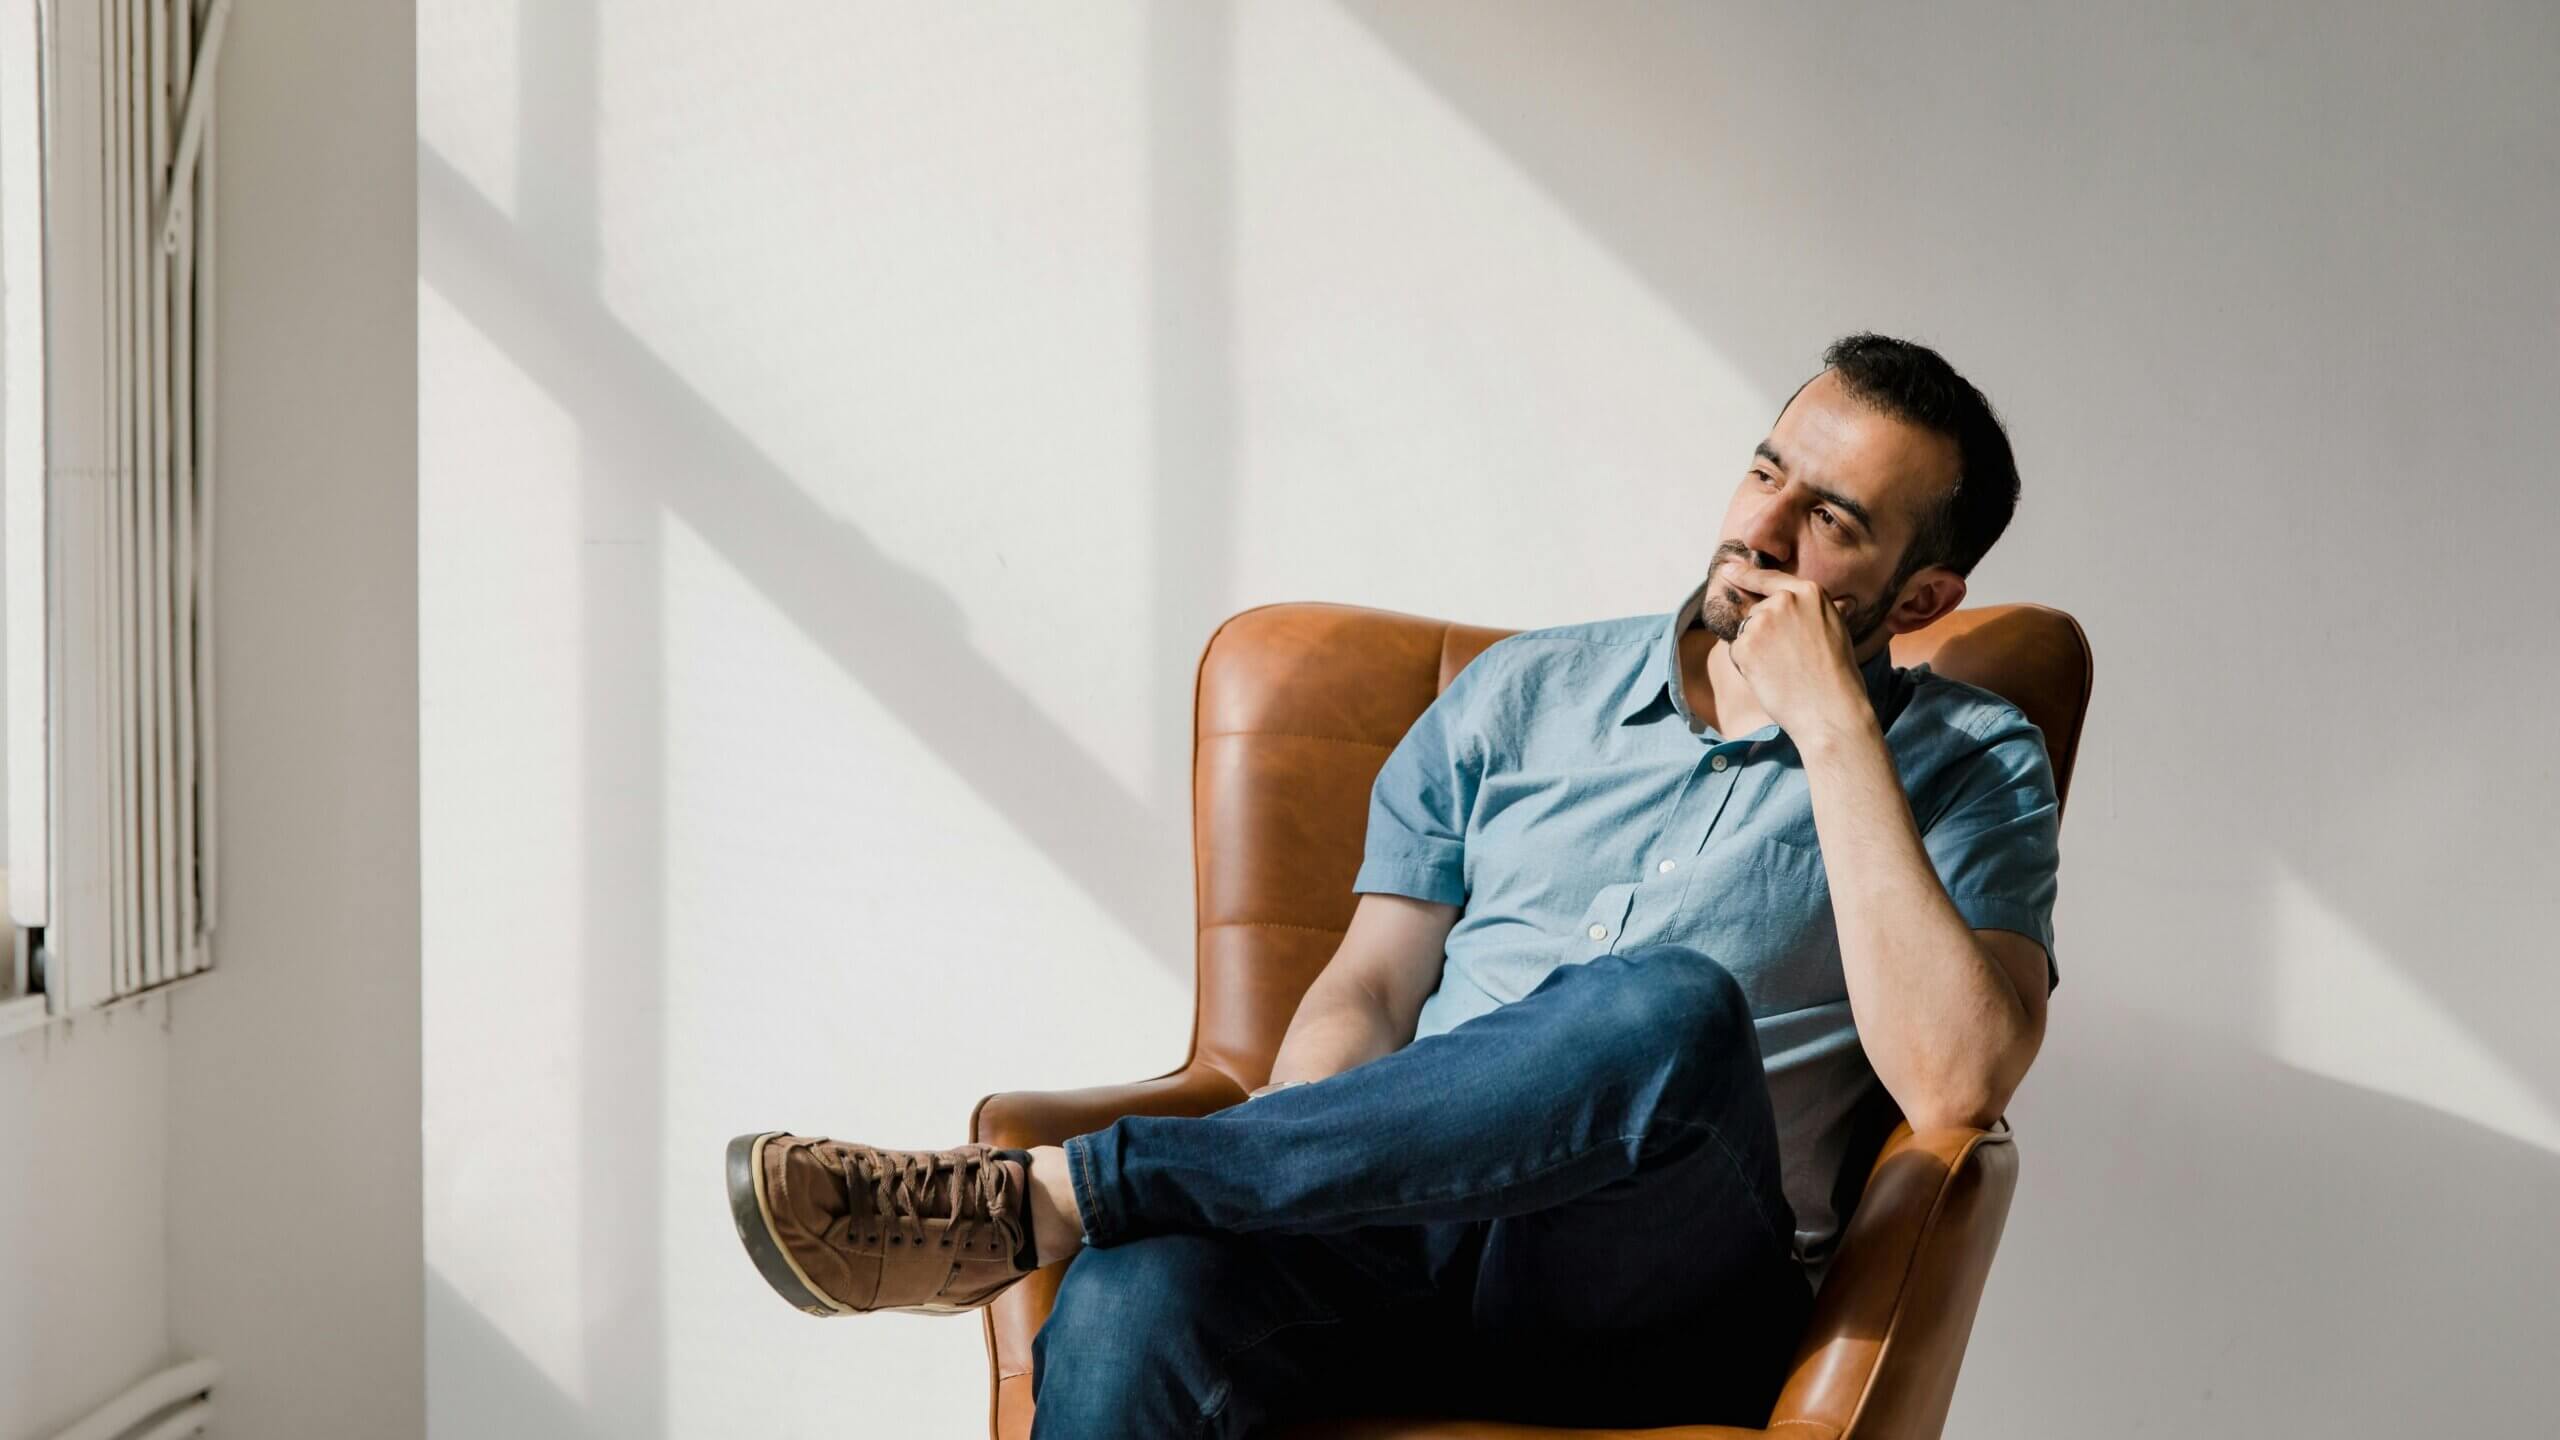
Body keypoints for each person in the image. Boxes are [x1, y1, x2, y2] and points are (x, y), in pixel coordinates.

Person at [722, 332, 2063, 1435]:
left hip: (1644, 1299)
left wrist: (1832, 726)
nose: (1760, 528)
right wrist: (1280, 1179)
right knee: (1138, 1291)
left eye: (1828, 519)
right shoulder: (1524, 696)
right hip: (1395, 1248)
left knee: (1665, 1009)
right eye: (1766, 471)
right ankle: (1110, 1210)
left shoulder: (1966, 760)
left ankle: (1052, 1195)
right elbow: (1368, 986)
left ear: (1919, 593)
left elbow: (1959, 1082)